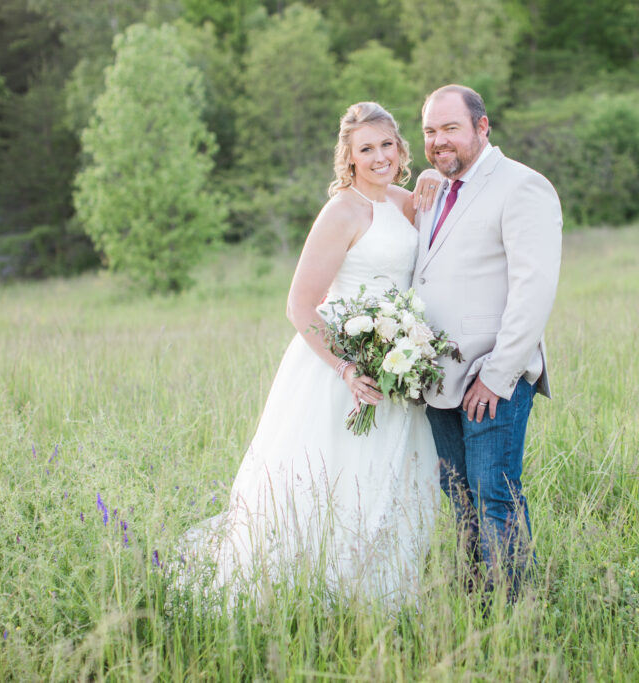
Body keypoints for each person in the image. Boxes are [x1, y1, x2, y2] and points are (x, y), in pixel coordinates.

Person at [177, 102, 442, 606]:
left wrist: (430, 174)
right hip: (338, 368)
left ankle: (380, 596)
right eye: (366, 148)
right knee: (331, 477)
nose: (379, 156)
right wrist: (347, 368)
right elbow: (300, 305)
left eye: (387, 144)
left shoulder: (406, 202)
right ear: (349, 156)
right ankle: (311, 590)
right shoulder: (342, 210)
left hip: (398, 366)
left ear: (401, 147)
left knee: (391, 475)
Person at [412, 85, 562, 599]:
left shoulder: (522, 186)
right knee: (459, 500)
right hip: (435, 378)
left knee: (494, 497)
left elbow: (533, 290)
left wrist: (498, 376)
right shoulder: (436, 190)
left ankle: (518, 615)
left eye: (450, 128)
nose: (438, 141)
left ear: (482, 126)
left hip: (489, 377)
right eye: (430, 131)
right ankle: (479, 606)